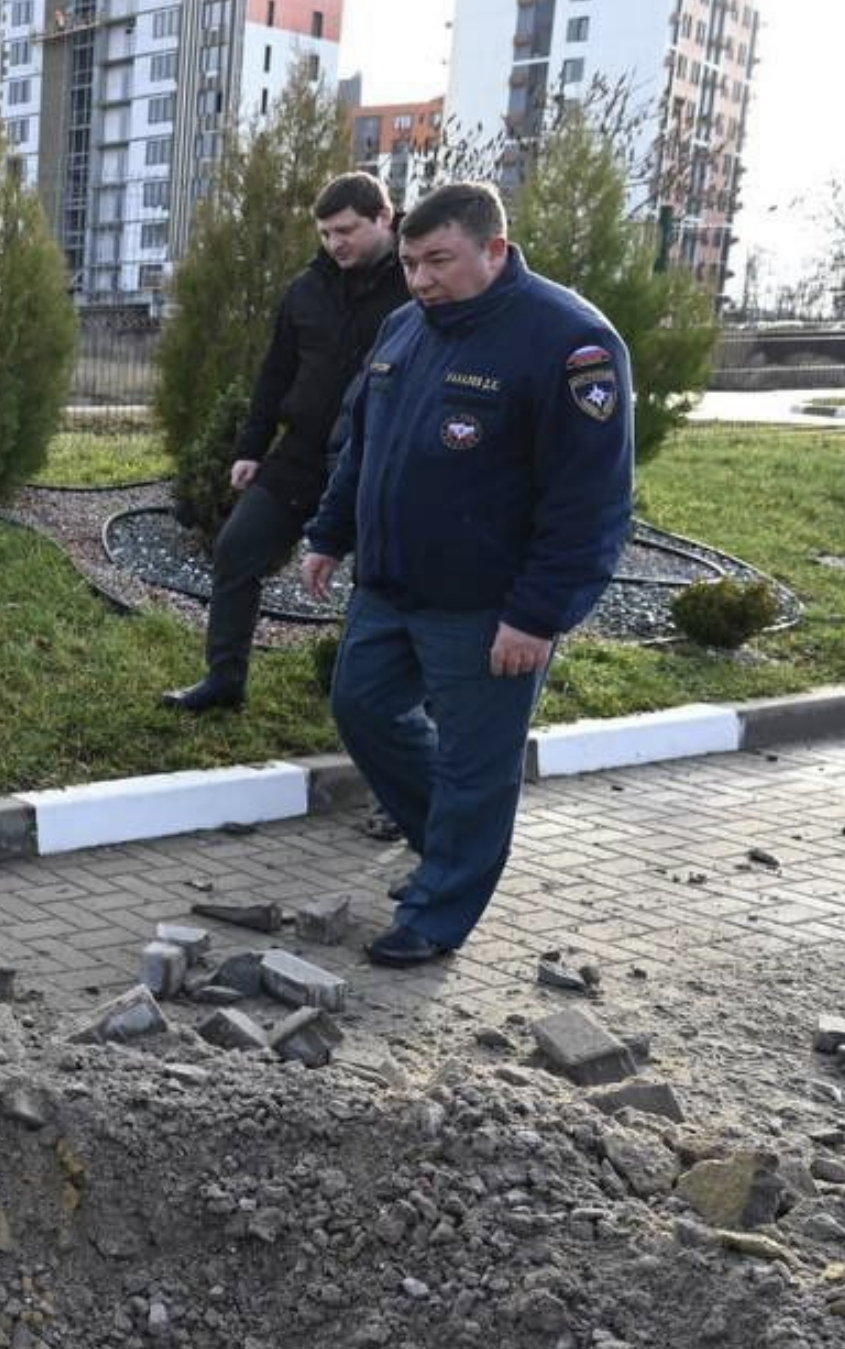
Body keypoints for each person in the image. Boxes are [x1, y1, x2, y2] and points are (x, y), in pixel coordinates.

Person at [299, 181, 633, 967]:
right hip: (390, 588)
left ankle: (440, 913)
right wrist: (327, 535)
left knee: (476, 767)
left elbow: (589, 500)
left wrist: (540, 614)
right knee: (365, 710)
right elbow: (363, 447)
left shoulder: (570, 342)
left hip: (489, 608)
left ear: (495, 249)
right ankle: (446, 849)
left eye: (439, 261)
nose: (420, 280)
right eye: (411, 262)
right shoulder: (404, 329)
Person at [162, 171, 410, 713]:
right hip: (298, 455)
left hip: (376, 461)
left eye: (345, 230)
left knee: (377, 581)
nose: (334, 243)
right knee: (235, 551)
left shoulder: (415, 287)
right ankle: (224, 682)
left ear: (384, 219)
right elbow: (275, 372)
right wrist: (252, 448)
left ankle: (375, 701)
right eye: (325, 234)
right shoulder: (307, 289)